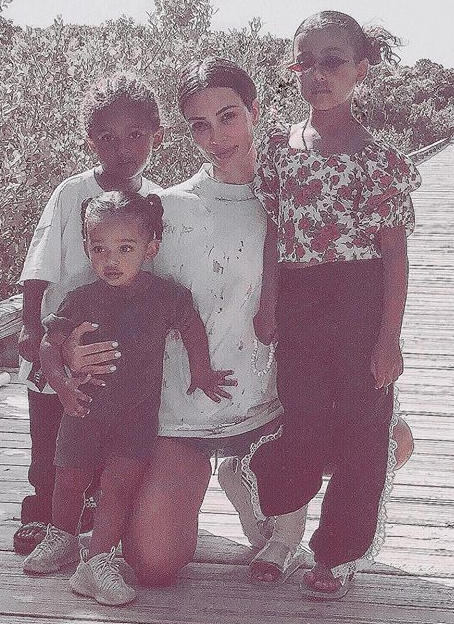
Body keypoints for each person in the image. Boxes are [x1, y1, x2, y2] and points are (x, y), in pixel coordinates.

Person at [56, 57, 416, 589]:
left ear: (254, 111)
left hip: (274, 411)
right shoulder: (164, 210)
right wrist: (68, 350)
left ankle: (254, 485)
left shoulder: (296, 202)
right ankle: (204, 485)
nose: (216, 136)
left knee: (391, 440)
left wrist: (384, 359)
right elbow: (104, 293)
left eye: (228, 116)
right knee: (153, 563)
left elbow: (351, 289)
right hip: (183, 417)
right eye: (199, 125)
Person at [243, 11, 422, 600]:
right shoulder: (280, 149)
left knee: (363, 433)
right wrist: (269, 303)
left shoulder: (381, 160)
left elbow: (394, 256)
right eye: (306, 62)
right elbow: (274, 232)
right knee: (303, 421)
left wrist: (388, 338)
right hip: (299, 304)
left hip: (360, 302)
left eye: (333, 62)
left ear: (361, 70)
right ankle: (277, 499)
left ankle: (339, 552)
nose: (318, 74)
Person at [23, 191, 233, 607]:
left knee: (116, 489)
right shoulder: (82, 298)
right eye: (99, 248)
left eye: (125, 248)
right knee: (69, 479)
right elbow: (50, 344)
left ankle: (97, 562)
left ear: (150, 248)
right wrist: (62, 387)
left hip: (135, 417)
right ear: (87, 247)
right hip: (83, 408)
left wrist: (202, 372)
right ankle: (62, 536)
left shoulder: (166, 296)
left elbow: (191, 327)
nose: (111, 260)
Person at [14, 72, 164, 554]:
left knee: (101, 426)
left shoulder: (155, 200)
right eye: (108, 138)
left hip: (113, 347)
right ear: (90, 141)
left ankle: (91, 509)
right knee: (51, 433)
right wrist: (30, 327)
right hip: (59, 340)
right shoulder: (70, 193)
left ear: (157, 135)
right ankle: (42, 512)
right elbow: (39, 265)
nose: (123, 149)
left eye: (135, 135)